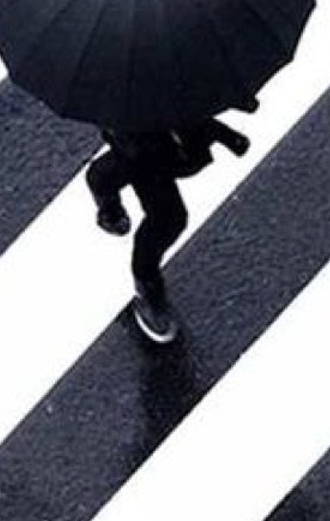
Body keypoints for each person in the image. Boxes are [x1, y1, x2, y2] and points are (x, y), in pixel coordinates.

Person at [85, 103, 256, 345]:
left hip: (164, 141)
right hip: (143, 150)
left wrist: (223, 135)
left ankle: (109, 207)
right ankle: (147, 285)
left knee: (119, 179)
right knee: (167, 218)